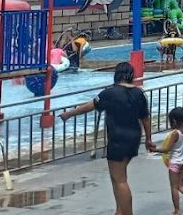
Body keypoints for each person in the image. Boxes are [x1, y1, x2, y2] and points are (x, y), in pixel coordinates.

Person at [59, 62, 154, 215]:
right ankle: (120, 211)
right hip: (134, 137)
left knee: (120, 179)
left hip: (118, 139)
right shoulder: (139, 93)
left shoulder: (110, 93)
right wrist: (148, 139)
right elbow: (145, 118)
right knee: (117, 176)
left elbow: (90, 105)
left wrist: (69, 114)